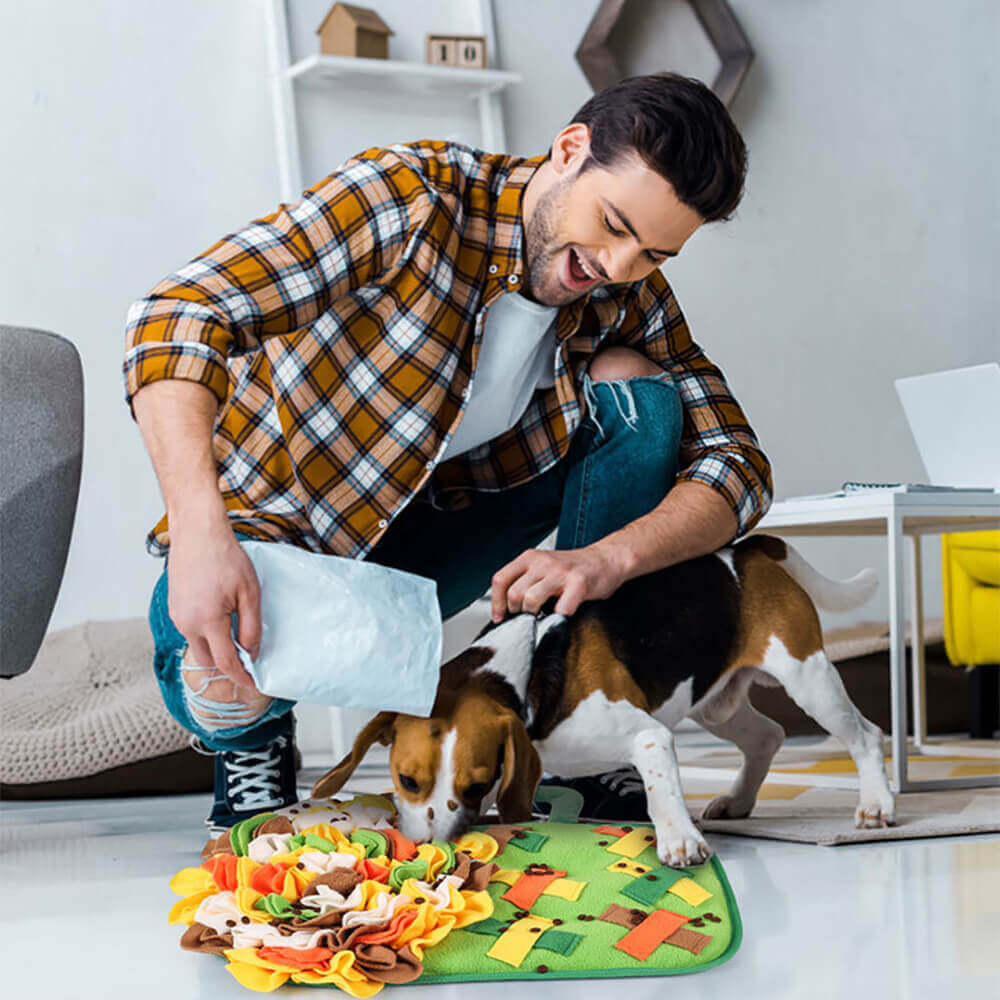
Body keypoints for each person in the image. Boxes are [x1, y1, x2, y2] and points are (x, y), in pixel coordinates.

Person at [123, 72, 773, 831]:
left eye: (653, 254)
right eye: (613, 224)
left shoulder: (626, 293)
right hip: (293, 525)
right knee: (216, 687)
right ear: (569, 151)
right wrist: (200, 531)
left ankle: (587, 732)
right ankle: (254, 742)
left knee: (636, 386)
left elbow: (738, 463)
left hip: (451, 527)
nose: (619, 265)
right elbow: (178, 315)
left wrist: (608, 559)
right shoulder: (409, 196)